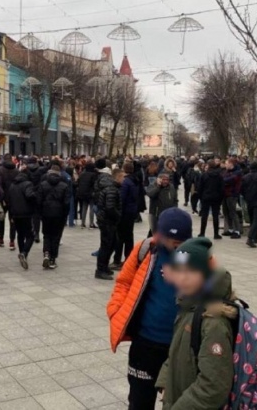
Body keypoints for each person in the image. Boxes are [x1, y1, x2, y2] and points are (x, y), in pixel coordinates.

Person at [107, 208, 193, 410]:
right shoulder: (146, 250)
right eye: (171, 240)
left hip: (180, 345)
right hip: (145, 343)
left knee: (178, 401)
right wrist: (115, 309)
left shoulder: (197, 257)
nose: (176, 245)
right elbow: (123, 282)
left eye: (181, 241)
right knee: (140, 400)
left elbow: (215, 291)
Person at [155, 237, 235, 409]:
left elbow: (213, 386)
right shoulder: (188, 306)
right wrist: (165, 381)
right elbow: (177, 352)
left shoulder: (213, 323)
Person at [37, 165, 71, 270]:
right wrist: (65, 214)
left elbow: (39, 200)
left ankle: (46, 253)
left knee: (46, 235)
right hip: (59, 214)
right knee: (56, 236)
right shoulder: (64, 186)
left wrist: (40, 213)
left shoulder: (43, 184)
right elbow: (66, 203)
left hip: (46, 213)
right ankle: (52, 259)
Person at [95, 169, 125, 279]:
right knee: (106, 245)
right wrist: (118, 215)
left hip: (108, 220)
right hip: (107, 220)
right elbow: (110, 207)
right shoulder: (112, 189)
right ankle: (100, 269)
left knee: (112, 243)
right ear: (118, 177)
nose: (124, 179)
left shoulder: (113, 188)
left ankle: (104, 266)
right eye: (123, 177)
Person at [7, 167, 37, 269]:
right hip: (26, 213)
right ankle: (24, 253)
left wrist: (11, 214)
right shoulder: (28, 184)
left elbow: (9, 200)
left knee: (20, 234)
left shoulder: (12, 185)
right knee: (30, 235)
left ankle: (21, 253)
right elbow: (29, 195)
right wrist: (34, 199)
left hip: (15, 214)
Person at [111, 163, 138, 270]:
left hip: (124, 213)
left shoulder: (125, 182)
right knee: (129, 237)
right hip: (131, 211)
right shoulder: (135, 180)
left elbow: (121, 199)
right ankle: (129, 259)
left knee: (120, 237)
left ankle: (117, 260)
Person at [196, 159, 224, 240]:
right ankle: (216, 233)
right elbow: (222, 188)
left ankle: (202, 233)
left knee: (204, 216)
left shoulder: (204, 175)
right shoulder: (219, 176)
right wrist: (220, 197)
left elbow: (200, 187)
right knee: (215, 216)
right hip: (216, 198)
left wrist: (200, 197)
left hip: (206, 197)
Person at [0, 154, 18, 250]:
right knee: (12, 220)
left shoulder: (0, 170)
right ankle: (12, 241)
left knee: (1, 218)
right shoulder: (16, 170)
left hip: (3, 199)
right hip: (13, 198)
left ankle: (1, 238)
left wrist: (1, 197)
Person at [221, 158, 242, 239]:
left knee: (233, 212)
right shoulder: (226, 172)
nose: (225, 165)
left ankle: (237, 231)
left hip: (232, 194)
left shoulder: (237, 172)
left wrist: (224, 181)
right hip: (225, 194)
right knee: (226, 212)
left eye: (226, 163)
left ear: (231, 164)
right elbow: (223, 179)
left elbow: (229, 180)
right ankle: (230, 229)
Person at [76, 162, 98, 229]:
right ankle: (91, 224)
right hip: (91, 193)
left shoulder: (82, 174)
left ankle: (83, 223)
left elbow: (78, 182)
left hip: (83, 193)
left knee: (84, 208)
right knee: (91, 208)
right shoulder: (94, 175)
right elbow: (95, 184)